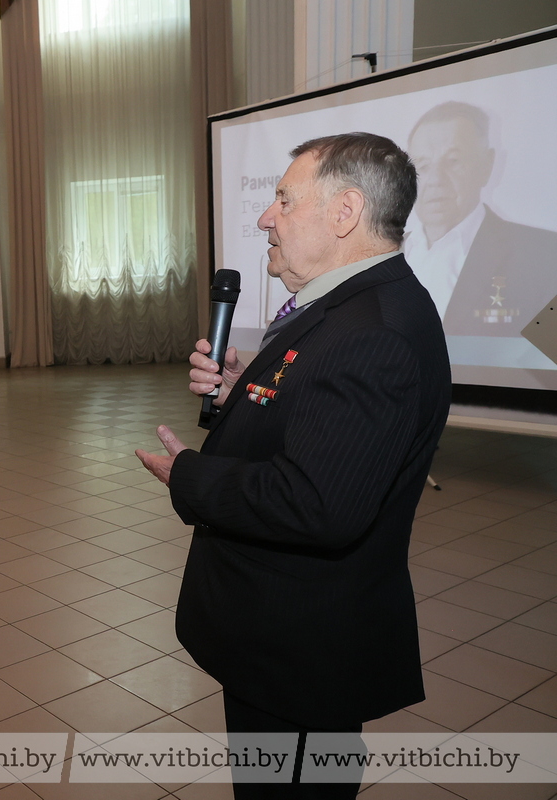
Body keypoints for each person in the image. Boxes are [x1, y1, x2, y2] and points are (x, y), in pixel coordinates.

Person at [136, 133, 451, 799]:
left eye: (283, 200)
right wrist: (246, 391)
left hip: (302, 646)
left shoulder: (372, 333)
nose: (264, 218)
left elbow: (317, 504)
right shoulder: (355, 304)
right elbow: (320, 415)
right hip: (291, 642)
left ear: (345, 213)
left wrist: (189, 475)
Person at [405, 101, 557, 335]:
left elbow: (548, 352)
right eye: (423, 166)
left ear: (487, 164)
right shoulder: (385, 255)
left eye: (453, 161)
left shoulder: (544, 255)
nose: (435, 179)